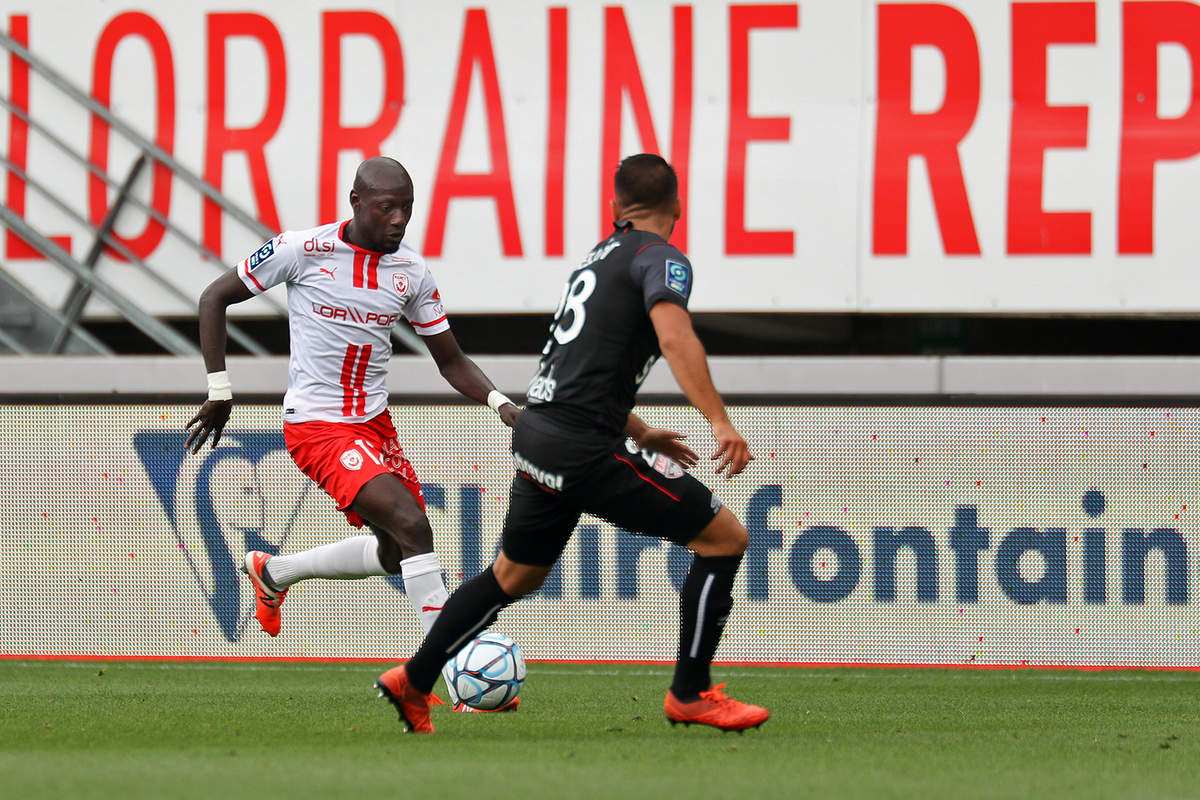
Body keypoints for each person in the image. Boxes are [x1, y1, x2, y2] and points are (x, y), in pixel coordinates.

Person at [374, 153, 769, 733]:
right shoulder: (661, 258)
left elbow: (579, 367)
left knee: (514, 576)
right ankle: (691, 692)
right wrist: (719, 422)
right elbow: (676, 336)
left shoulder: (599, 258)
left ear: (616, 209)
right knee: (723, 539)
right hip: (582, 447)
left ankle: (413, 678)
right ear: (677, 209)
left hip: (540, 436)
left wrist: (637, 429)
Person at [185, 156, 520, 711]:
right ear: (356, 201)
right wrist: (220, 388)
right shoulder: (302, 249)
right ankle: (447, 668)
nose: (399, 219)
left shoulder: (411, 273)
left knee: (398, 550)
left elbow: (451, 359)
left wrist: (501, 403)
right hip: (317, 427)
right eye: (387, 207)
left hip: (373, 427)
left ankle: (275, 572)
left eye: (407, 208)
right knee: (414, 526)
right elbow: (213, 297)